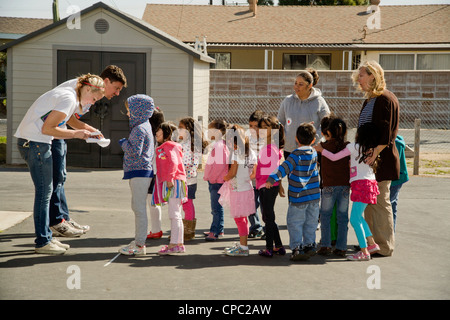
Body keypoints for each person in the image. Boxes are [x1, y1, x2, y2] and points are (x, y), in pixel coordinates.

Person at [15, 74, 105, 254]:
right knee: (44, 193)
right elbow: (48, 128)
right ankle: (42, 242)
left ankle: (46, 237)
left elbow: (60, 122)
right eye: (94, 99)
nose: (93, 103)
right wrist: (77, 134)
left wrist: (85, 129)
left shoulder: (70, 93)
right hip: (36, 144)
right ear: (87, 89)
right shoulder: (69, 98)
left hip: (34, 142)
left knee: (46, 192)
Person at [51, 65, 127, 237]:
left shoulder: (91, 93)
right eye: (116, 88)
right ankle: (55, 222)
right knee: (55, 180)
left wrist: (93, 131)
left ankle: (63, 219)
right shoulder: (82, 90)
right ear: (106, 81)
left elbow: (71, 119)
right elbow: (67, 118)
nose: (117, 94)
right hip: (51, 135)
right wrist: (89, 131)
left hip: (60, 135)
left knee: (61, 177)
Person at [352, 60, 400, 257]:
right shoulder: (370, 99)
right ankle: (371, 242)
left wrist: (374, 154)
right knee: (369, 203)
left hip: (382, 161)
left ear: (372, 75)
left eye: (361, 75)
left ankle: (385, 246)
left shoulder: (385, 99)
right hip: (369, 162)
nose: (359, 80)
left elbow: (387, 134)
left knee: (380, 202)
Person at [315, 123, 381, 261]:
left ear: (359, 135)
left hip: (360, 185)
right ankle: (372, 244)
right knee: (359, 217)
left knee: (354, 219)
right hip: (369, 184)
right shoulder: (371, 149)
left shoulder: (353, 147)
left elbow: (334, 157)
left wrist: (321, 149)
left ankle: (364, 252)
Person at [266, 123, 320, 261]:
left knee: (295, 222)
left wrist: (272, 179)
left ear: (296, 138)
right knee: (311, 222)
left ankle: (297, 248)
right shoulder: (313, 152)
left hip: (298, 196)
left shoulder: (295, 155)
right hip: (314, 196)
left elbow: (284, 168)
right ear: (314, 140)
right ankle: (310, 244)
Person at [118, 95, 155, 256]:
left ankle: (139, 245)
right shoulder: (144, 126)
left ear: (138, 110)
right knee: (138, 207)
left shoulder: (139, 128)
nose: (127, 114)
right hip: (142, 172)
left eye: (129, 110)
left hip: (139, 173)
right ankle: (139, 242)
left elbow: (134, 152)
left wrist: (123, 143)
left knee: (139, 208)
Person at [220, 124, 256, 257]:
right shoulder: (251, 152)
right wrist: (245, 178)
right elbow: (254, 173)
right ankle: (243, 244)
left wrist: (224, 177)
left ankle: (243, 248)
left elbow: (232, 173)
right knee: (243, 219)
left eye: (229, 139)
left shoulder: (236, 154)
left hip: (238, 191)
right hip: (247, 188)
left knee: (240, 219)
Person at [278, 68, 330, 159]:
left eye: (300, 84)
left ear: (309, 85)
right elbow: (279, 123)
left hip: (310, 149)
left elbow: (327, 123)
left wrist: (314, 137)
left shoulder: (319, 102)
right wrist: (281, 141)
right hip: (289, 150)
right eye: (295, 83)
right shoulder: (287, 101)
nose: (296, 87)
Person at [317, 116, 350, 257]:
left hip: (328, 187)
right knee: (342, 218)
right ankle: (342, 247)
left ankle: (326, 245)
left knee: (325, 216)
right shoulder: (347, 146)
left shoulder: (323, 147)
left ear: (328, 133)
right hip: (344, 187)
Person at [152, 122, 187, 255]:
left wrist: (170, 178)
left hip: (173, 182)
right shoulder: (173, 146)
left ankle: (174, 244)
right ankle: (178, 244)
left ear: (166, 133)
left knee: (174, 214)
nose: (156, 134)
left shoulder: (169, 146)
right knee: (176, 213)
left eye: (159, 132)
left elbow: (173, 162)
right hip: (176, 181)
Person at [256, 115, 286, 258]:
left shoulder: (271, 148)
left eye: (266, 127)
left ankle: (269, 248)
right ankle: (279, 246)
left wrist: (271, 182)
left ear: (274, 130)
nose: (262, 130)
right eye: (260, 127)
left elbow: (275, 168)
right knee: (268, 216)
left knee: (268, 217)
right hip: (264, 184)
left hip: (267, 185)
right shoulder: (267, 146)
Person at [178, 117, 208, 241]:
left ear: (189, 130)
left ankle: (188, 231)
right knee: (187, 204)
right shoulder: (193, 145)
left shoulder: (186, 146)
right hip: (190, 179)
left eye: (181, 128)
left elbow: (184, 164)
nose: (178, 130)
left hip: (185, 180)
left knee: (186, 204)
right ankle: (184, 230)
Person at [203, 119, 229, 241]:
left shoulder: (219, 146)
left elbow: (219, 165)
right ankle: (220, 229)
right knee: (218, 207)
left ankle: (214, 231)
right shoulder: (220, 144)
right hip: (217, 181)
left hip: (216, 182)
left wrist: (211, 179)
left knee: (216, 208)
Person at [146, 107, 165, 240]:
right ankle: (156, 228)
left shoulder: (152, 136)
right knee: (155, 201)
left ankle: (156, 229)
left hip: (153, 172)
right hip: (160, 172)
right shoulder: (163, 134)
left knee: (152, 201)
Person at [247, 110, 266, 239]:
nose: (253, 129)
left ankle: (267, 228)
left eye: (256, 126)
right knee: (251, 204)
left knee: (265, 205)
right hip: (251, 177)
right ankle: (256, 227)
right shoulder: (247, 138)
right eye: (250, 126)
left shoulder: (267, 139)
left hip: (264, 178)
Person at [390, 135, 409, 232]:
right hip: (399, 177)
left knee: (389, 205)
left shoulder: (395, 143)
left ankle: (389, 234)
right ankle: (391, 234)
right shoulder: (398, 139)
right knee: (392, 205)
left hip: (395, 178)